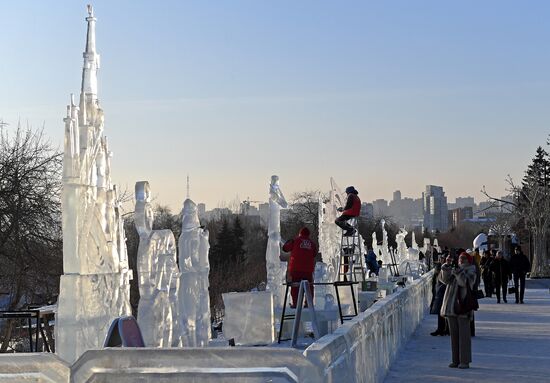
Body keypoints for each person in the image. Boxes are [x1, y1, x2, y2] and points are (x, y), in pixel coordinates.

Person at [439, 252, 477, 369]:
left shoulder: (471, 271)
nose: (461, 260)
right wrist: (446, 267)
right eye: (460, 258)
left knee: (464, 336)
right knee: (454, 336)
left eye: (464, 258)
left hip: (463, 307)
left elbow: (465, 283)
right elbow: (444, 280)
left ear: (468, 260)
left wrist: (458, 273)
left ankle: (464, 361)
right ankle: (455, 360)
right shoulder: (456, 269)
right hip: (451, 307)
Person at [281, 227, 317, 308]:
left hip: (296, 269)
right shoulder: (312, 243)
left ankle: (296, 304)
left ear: (300, 233)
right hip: (308, 270)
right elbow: (314, 253)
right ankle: (309, 303)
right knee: (308, 286)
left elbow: (285, 248)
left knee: (295, 286)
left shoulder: (295, 241)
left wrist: (288, 242)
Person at [429, 259, 449, 336]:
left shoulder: (441, 276)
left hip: (441, 296)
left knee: (442, 313)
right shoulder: (438, 276)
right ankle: (443, 329)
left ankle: (442, 329)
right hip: (439, 296)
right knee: (442, 313)